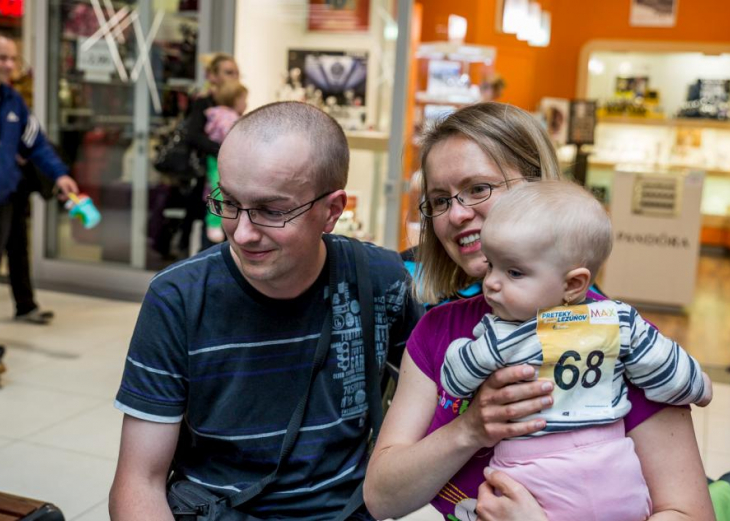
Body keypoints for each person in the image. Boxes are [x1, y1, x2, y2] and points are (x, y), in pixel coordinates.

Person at [363, 102, 714, 521]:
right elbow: (382, 497)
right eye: (439, 200)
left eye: (478, 188)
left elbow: (690, 512)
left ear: (537, 188)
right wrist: (472, 429)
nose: (456, 214)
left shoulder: (611, 334)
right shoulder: (441, 331)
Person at [109, 101, 422, 519]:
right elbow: (139, 481)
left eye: (271, 211)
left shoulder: (381, 280)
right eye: (230, 202)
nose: (242, 232)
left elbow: (440, 402)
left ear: (332, 211)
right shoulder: (179, 297)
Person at [440, 180, 712, 520]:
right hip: (616, 479)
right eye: (491, 265)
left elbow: (456, 377)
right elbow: (667, 368)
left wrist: (461, 352)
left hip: (535, 483)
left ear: (573, 284)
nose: (492, 282)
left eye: (513, 272)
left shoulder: (503, 337)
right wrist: (700, 387)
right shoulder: (616, 321)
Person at [0, 34, 78, 378]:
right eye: (2, 58)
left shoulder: (14, 102)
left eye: (13, 59)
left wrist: (60, 175)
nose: (9, 65)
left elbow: (37, 145)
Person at [177, 53, 241, 254]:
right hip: (207, 173)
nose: (234, 77)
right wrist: (223, 150)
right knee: (210, 226)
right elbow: (192, 136)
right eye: (228, 72)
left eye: (236, 73)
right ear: (212, 76)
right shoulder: (203, 103)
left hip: (224, 172)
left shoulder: (234, 101)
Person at [203, 80, 248, 244]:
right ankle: (213, 224)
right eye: (244, 100)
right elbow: (233, 139)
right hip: (221, 160)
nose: (246, 104)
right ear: (235, 100)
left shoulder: (216, 113)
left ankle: (214, 223)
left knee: (215, 188)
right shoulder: (229, 117)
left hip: (213, 159)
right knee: (219, 190)